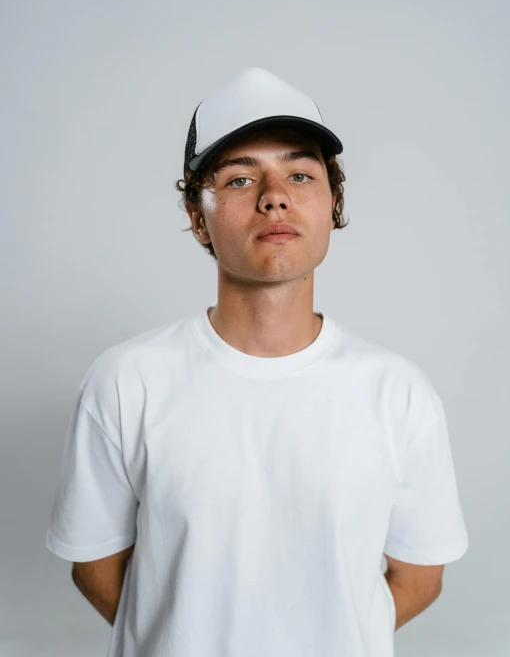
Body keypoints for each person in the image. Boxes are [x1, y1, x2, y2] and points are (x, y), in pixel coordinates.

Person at [45, 67, 469, 657]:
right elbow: (94, 563)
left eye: (299, 174)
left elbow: (421, 576)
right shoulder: (126, 382)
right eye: (241, 180)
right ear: (198, 218)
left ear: (331, 204)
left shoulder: (398, 393)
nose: (275, 195)